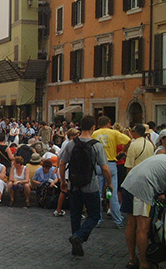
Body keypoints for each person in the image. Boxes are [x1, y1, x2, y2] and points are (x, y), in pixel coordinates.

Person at [59, 115, 113, 257]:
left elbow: (62, 163)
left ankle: (76, 243)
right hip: (91, 184)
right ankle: (80, 237)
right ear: (93, 127)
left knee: (75, 215)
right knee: (94, 215)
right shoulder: (96, 145)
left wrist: (62, 180)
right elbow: (105, 168)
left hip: (74, 184)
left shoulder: (71, 144)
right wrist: (109, 183)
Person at [121, 154, 166, 269]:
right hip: (143, 187)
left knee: (131, 224)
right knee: (143, 228)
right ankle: (144, 263)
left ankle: (132, 259)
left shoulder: (162, 157)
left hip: (128, 183)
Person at [91, 115, 131, 229]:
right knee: (112, 193)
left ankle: (97, 219)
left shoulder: (95, 134)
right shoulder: (114, 133)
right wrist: (123, 151)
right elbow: (128, 140)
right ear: (108, 123)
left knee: (97, 193)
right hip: (111, 164)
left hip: (99, 164)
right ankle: (117, 220)